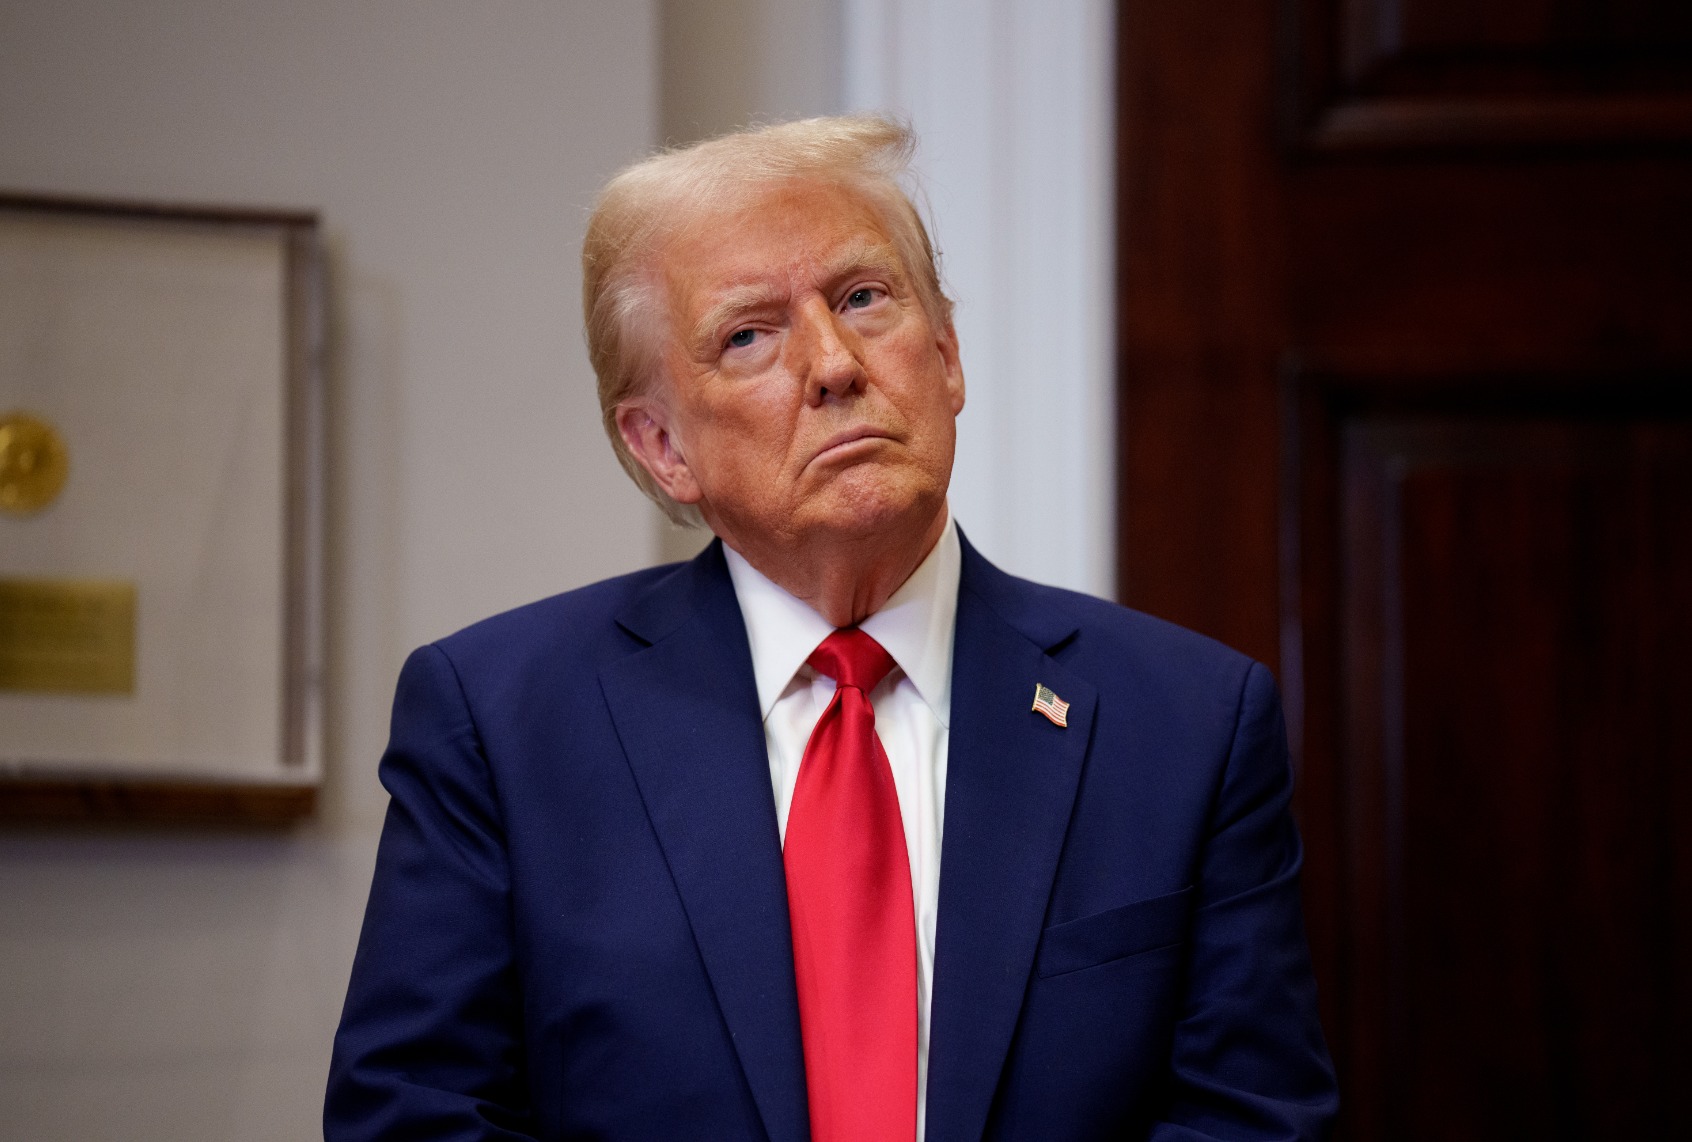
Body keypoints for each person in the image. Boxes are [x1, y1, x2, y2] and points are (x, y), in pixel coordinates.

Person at [326, 116, 1338, 1142]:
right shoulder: (501, 724)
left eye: (863, 298)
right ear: (662, 444)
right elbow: (413, 1116)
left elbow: (1254, 1119)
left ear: (945, 356)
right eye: (749, 334)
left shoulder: (1186, 723)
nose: (835, 363)